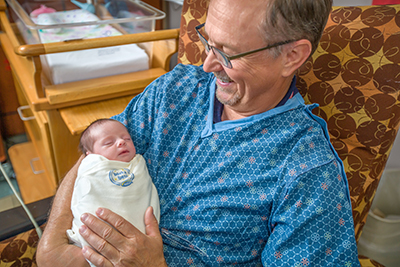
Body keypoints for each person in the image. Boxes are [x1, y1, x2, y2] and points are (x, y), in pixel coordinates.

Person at [37, 0, 361, 266]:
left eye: (227, 52)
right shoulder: (175, 88)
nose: (206, 65)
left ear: (292, 56)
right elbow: (96, 152)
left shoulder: (307, 172)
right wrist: (51, 248)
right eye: (208, 40)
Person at [67, 119, 160, 266]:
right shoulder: (92, 167)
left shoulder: (137, 164)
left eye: (126, 139)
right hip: (98, 230)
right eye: (109, 143)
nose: (121, 142)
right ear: (90, 155)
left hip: (142, 239)